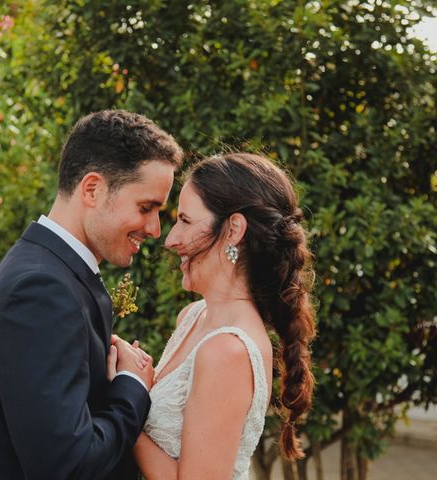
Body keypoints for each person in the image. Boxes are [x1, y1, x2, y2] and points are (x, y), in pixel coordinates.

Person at [0, 109, 183, 479]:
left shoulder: (53, 271)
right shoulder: (40, 290)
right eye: (146, 207)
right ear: (92, 189)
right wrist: (131, 388)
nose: (154, 229)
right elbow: (68, 466)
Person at [130, 153, 316, 479]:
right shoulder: (193, 317)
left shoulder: (228, 351)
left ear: (233, 230)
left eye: (186, 221)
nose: (171, 239)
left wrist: (122, 400)